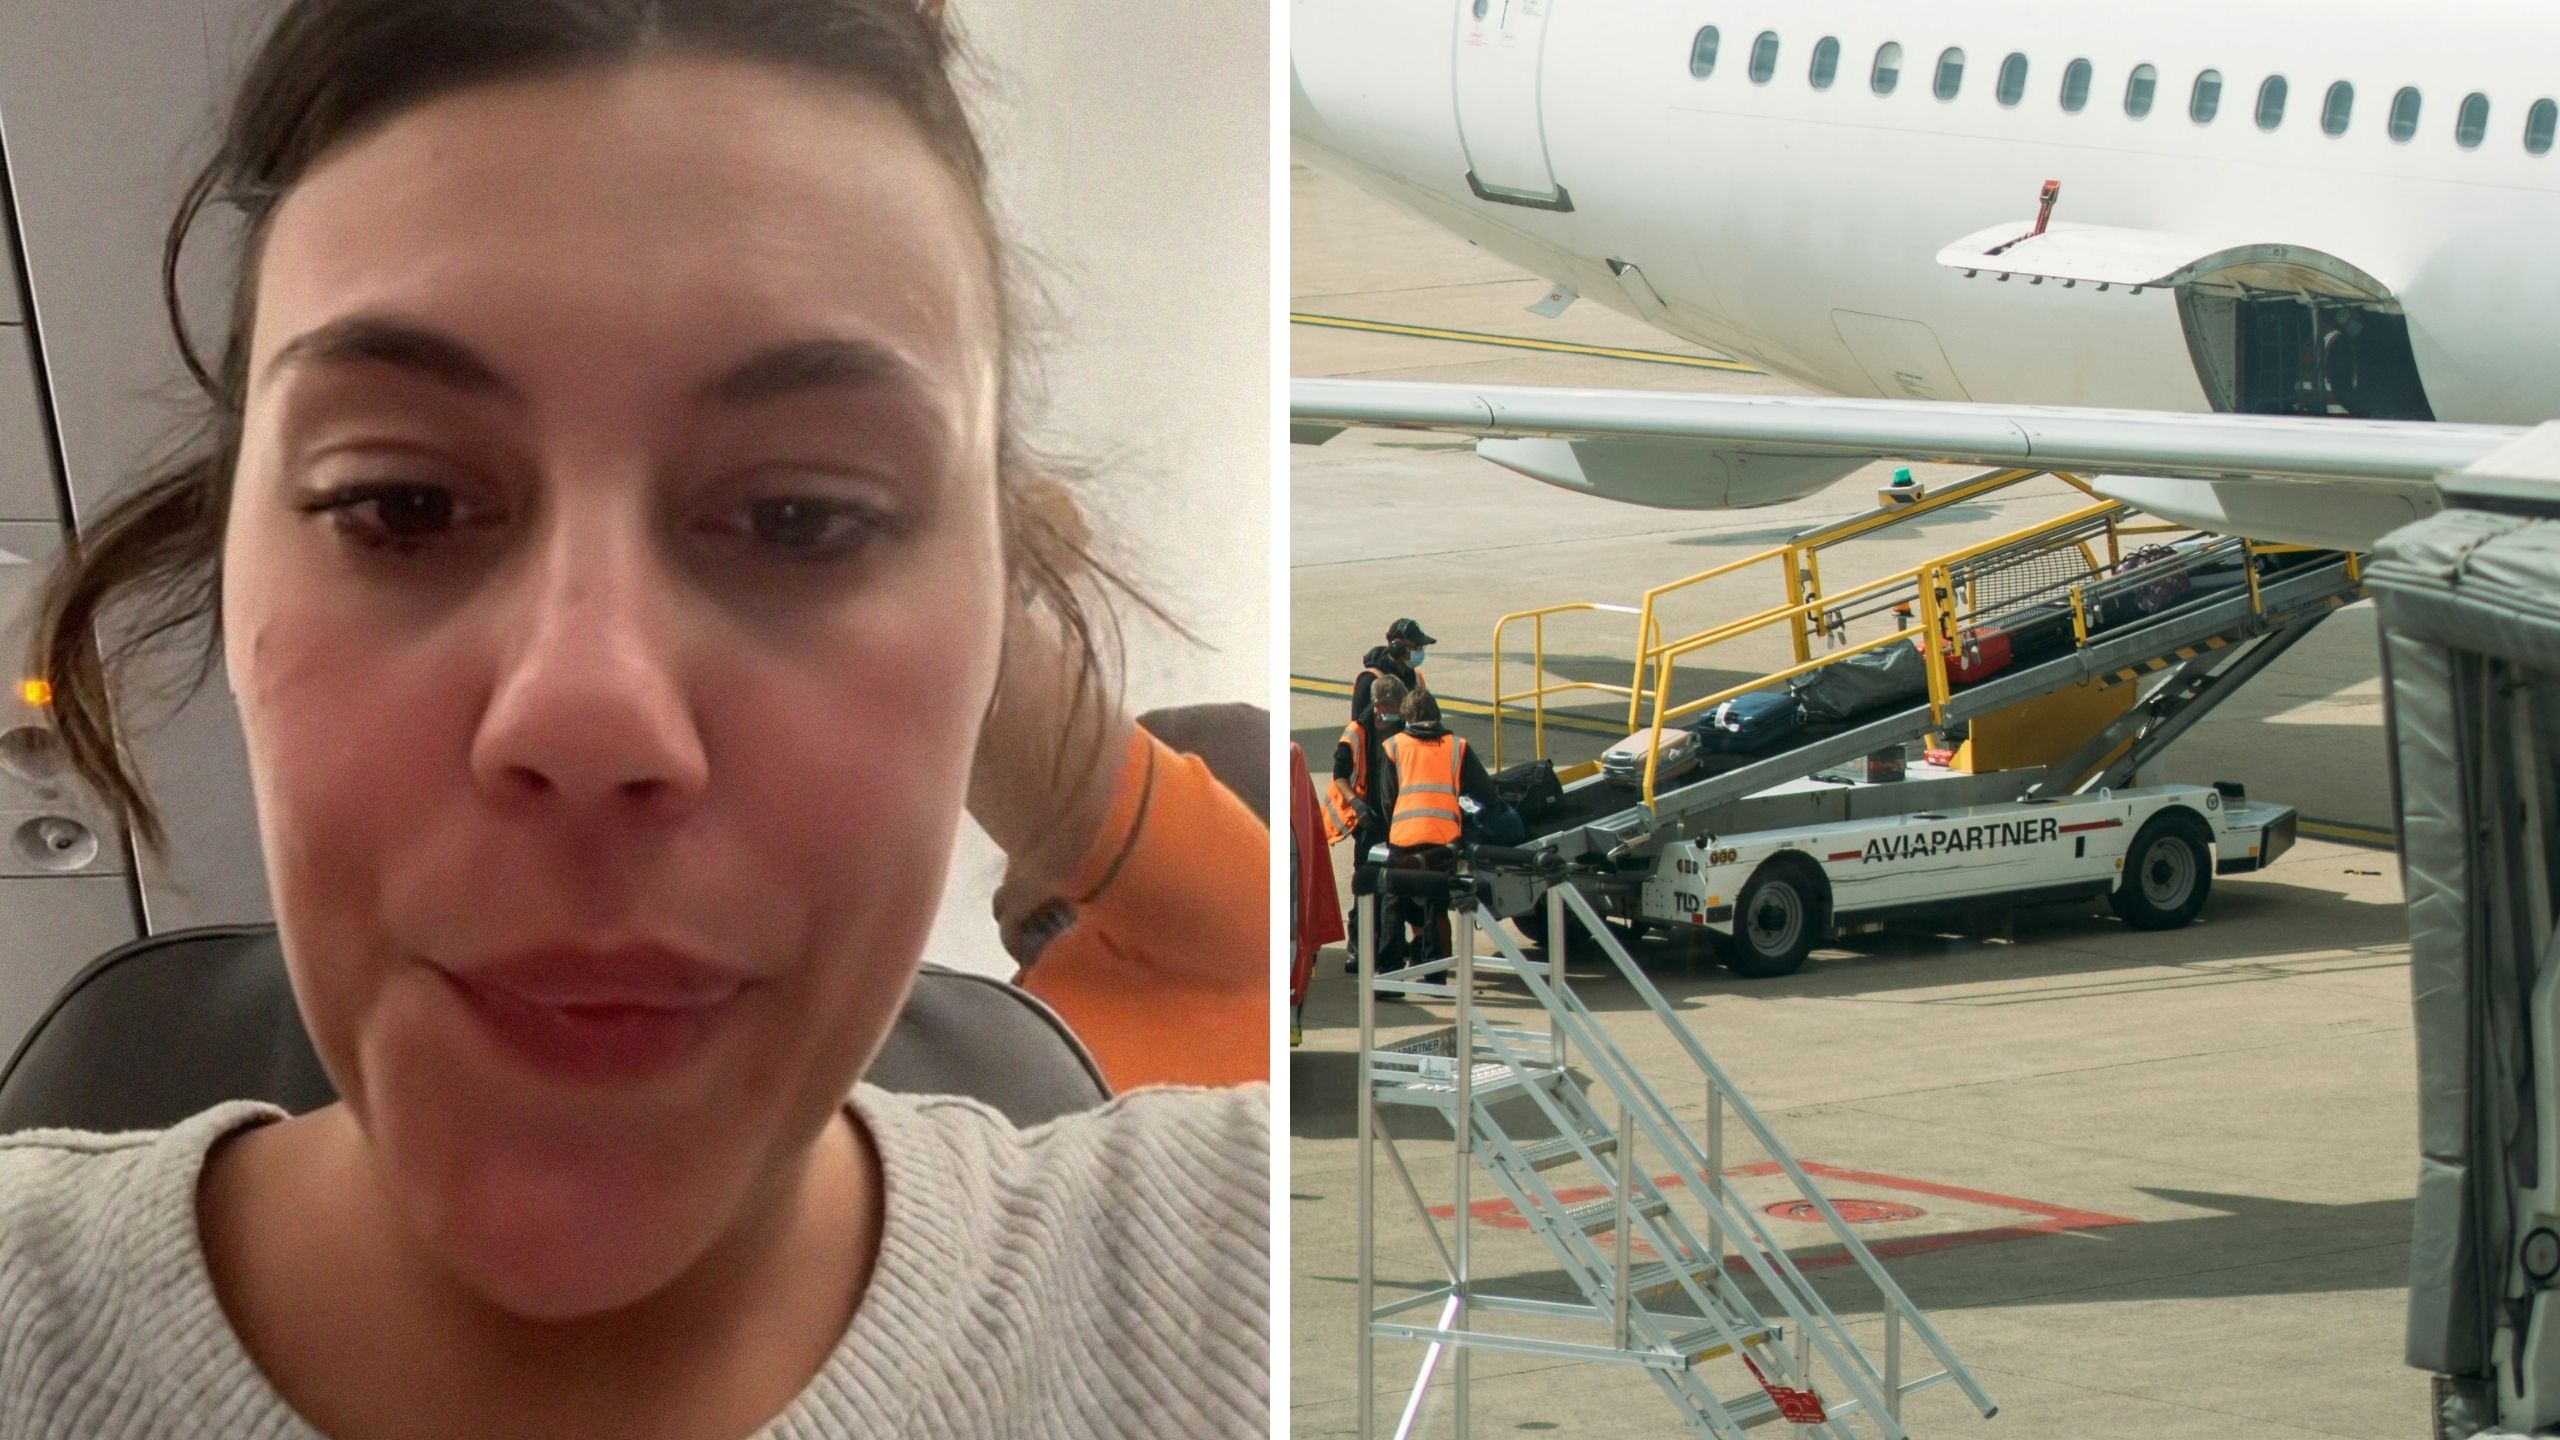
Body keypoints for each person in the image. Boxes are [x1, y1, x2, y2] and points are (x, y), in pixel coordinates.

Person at [0, 5, 1265, 1438]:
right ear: (231, 573)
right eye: (398, 504)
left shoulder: (1247, 1278)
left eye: (804, 518)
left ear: (994, 616)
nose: (590, 713)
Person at [1375, 691, 1502, 968]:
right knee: (1437, 905)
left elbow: (1387, 799)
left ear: (1410, 717)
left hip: (1404, 836)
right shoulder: (1457, 747)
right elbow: (1488, 794)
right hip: (1443, 839)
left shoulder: (1393, 746)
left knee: (1393, 904)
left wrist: (1395, 829)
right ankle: (1436, 973)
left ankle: (1388, 975)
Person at [1330, 672, 1405, 969]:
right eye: (1391, 706)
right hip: (1369, 818)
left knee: (1394, 887)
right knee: (1365, 883)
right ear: (1377, 705)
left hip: (1398, 817)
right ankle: (1359, 946)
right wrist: (1357, 806)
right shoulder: (1356, 732)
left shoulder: (1403, 727)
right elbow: (1339, 775)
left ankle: (1389, 946)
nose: (1395, 712)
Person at [1351, 616, 1434, 728]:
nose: (1419, 652)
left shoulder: (1417, 678)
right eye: (1415, 647)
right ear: (1397, 647)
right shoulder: (1369, 679)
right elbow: (1358, 725)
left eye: (1421, 648)